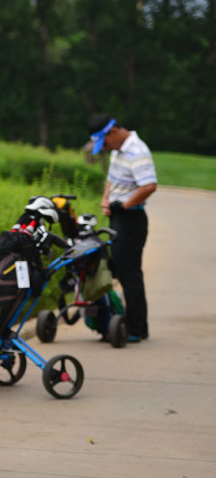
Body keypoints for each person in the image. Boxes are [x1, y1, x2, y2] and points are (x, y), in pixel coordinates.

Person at [88, 114, 157, 342]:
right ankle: (118, 319)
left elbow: (149, 186)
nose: (105, 148)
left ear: (113, 132)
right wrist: (106, 200)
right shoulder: (118, 149)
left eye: (105, 143)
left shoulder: (137, 151)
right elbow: (111, 179)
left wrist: (125, 205)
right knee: (114, 268)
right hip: (118, 217)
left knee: (129, 274)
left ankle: (137, 329)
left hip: (132, 220)